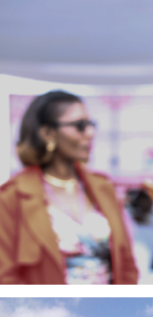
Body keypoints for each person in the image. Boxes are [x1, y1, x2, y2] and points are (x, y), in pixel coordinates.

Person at [0, 90, 139, 284]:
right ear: (47, 133)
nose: (90, 133)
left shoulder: (104, 187)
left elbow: (127, 266)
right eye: (80, 126)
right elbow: (5, 278)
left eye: (91, 125)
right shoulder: (11, 197)